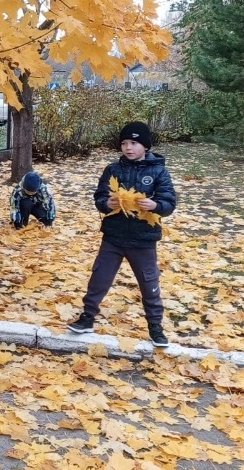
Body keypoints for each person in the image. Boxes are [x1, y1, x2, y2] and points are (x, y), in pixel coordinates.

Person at [67, 121, 176, 347]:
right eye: (124, 143)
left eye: (134, 143)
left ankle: (155, 325)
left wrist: (155, 205)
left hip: (143, 239)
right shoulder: (113, 170)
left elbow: (169, 203)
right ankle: (87, 317)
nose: (128, 147)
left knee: (149, 282)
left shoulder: (158, 171)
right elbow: (99, 198)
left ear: (145, 146)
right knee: (99, 277)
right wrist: (106, 203)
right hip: (113, 237)